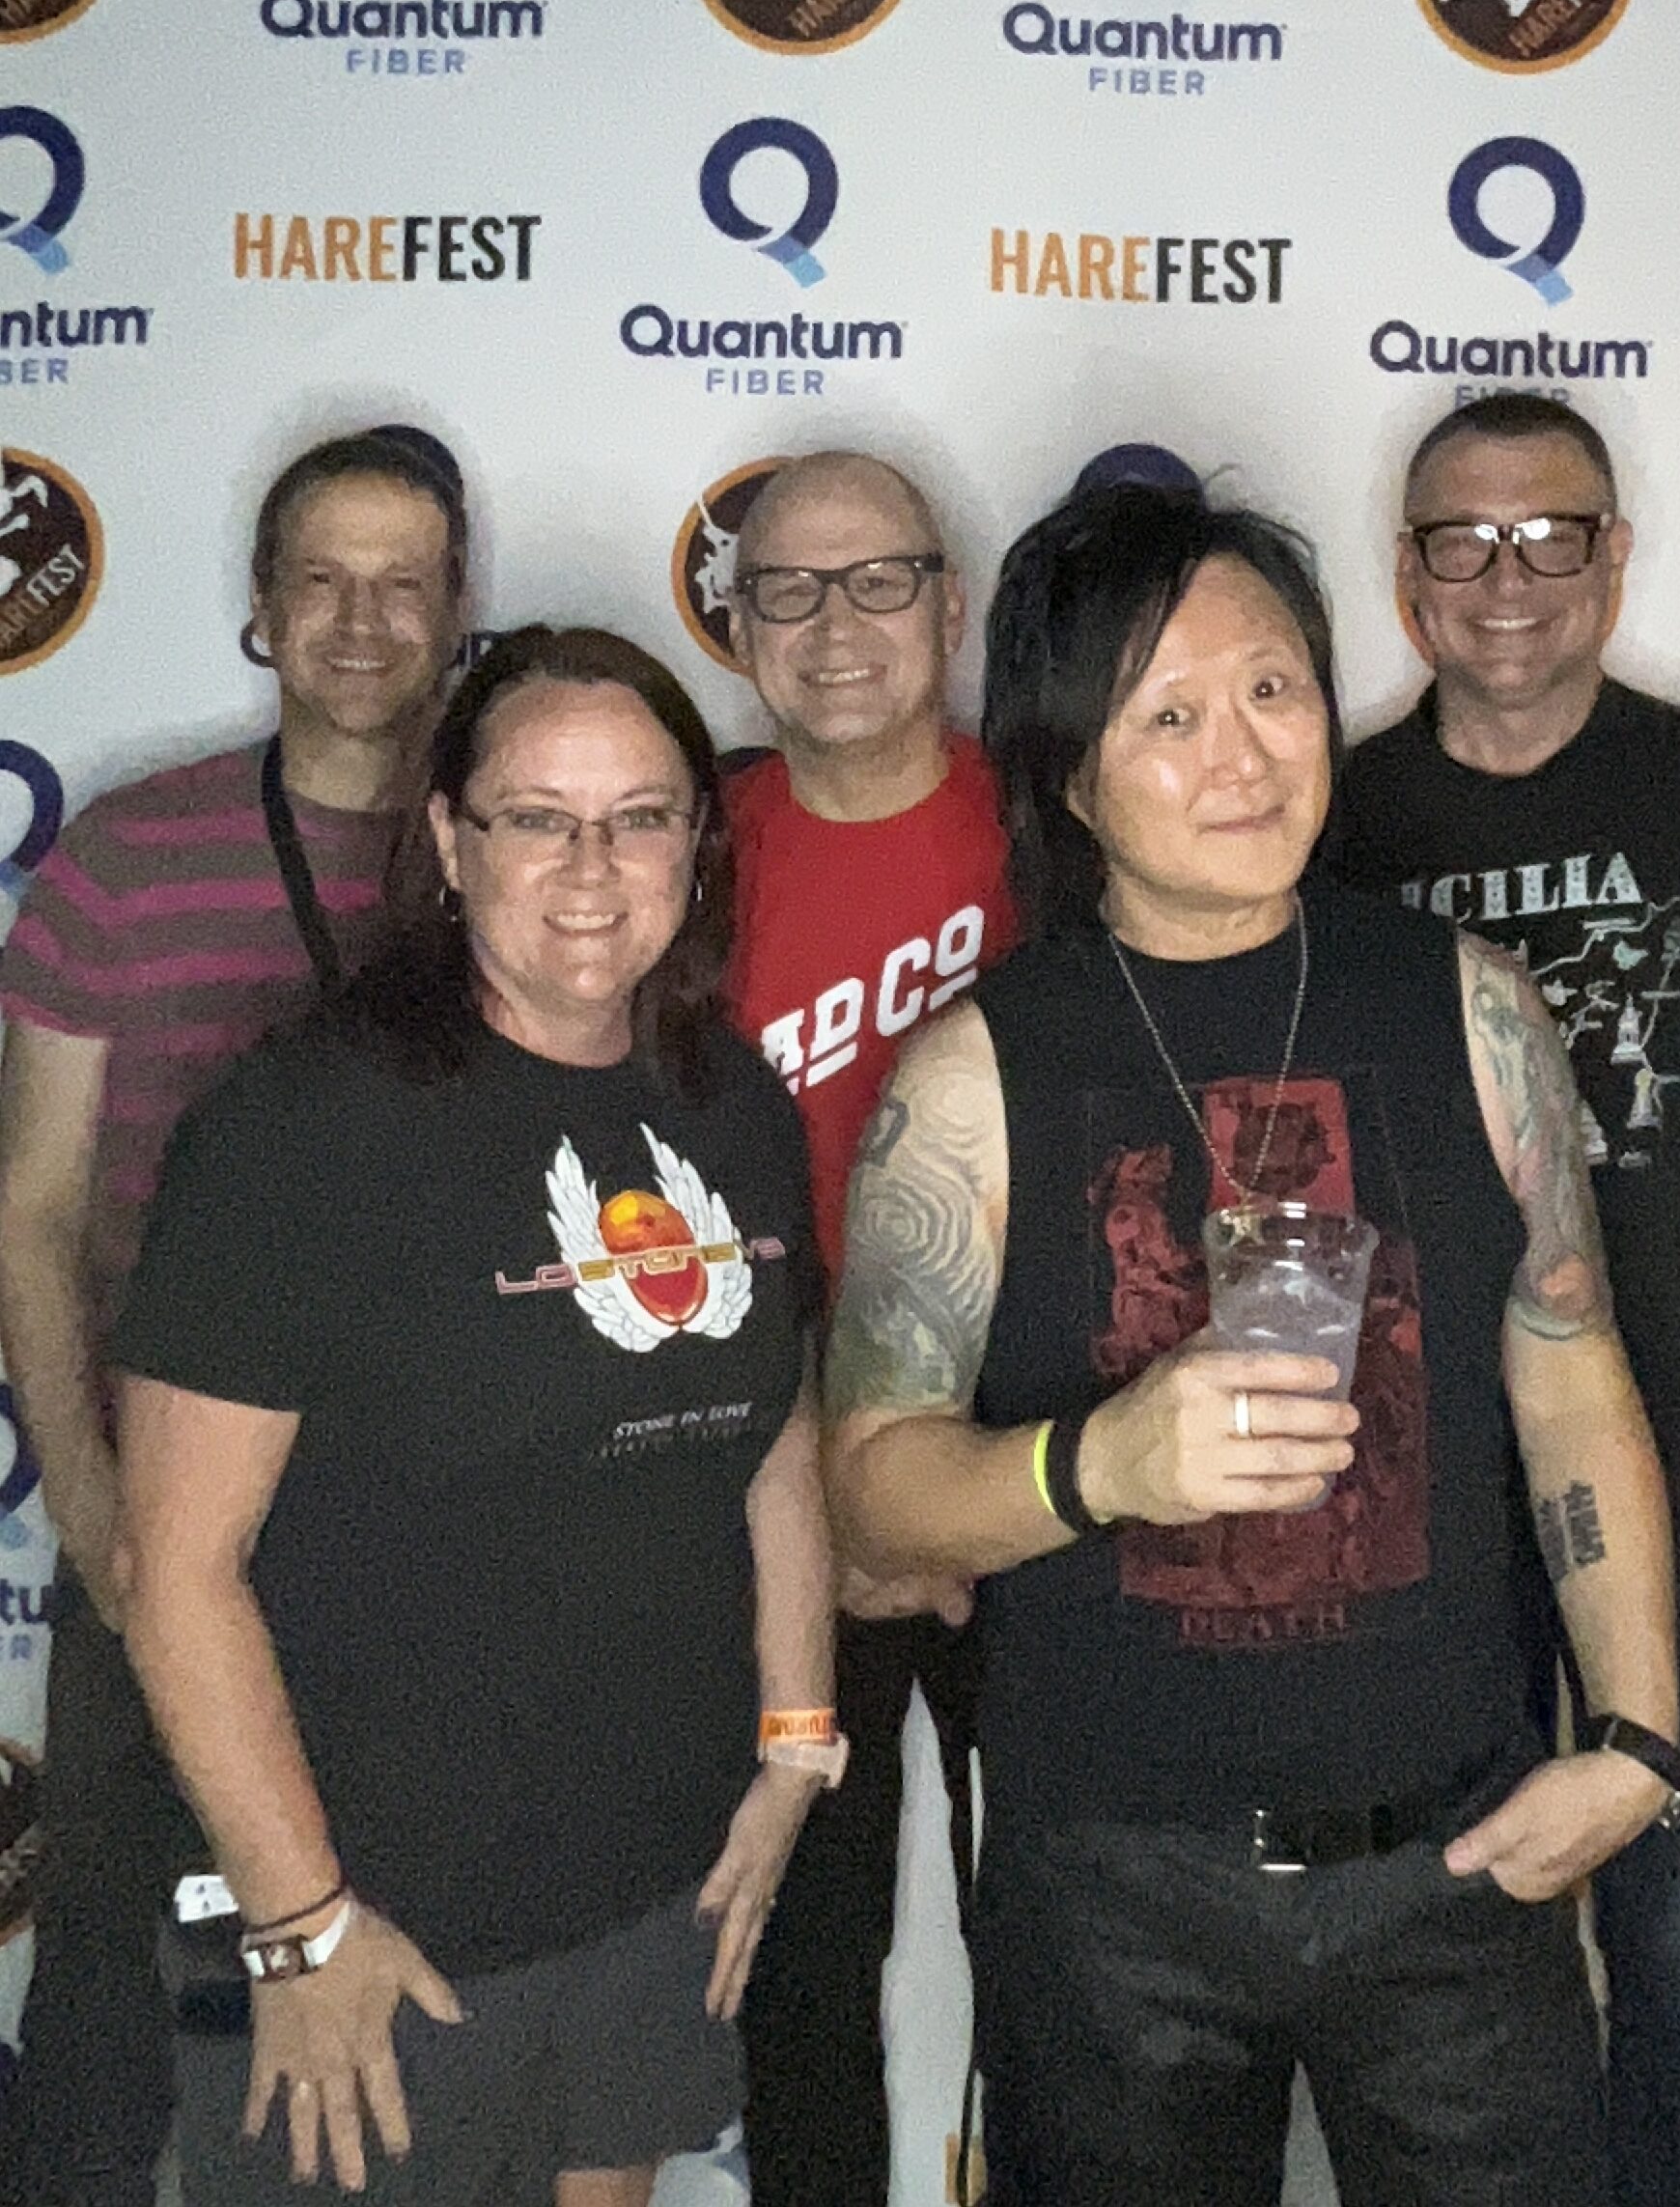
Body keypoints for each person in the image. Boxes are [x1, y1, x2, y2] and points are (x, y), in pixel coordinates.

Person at [825, 479, 1680, 2207]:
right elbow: (869, 1492)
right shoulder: (977, 1075)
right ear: (1073, 774)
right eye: (1169, 717)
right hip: (1110, 1897)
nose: (1243, 756)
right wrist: (1102, 1463)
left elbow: (1571, 1373)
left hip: (1462, 1862)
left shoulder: (1471, 1006)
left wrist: (1640, 1738)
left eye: (1275, 689)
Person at [108, 625, 834, 2205]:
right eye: (537, 818)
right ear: (449, 840)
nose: (593, 868)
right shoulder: (302, 1128)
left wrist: (796, 1745)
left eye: (641, 817)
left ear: (696, 846)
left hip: (656, 1896)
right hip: (377, 1933)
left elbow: (772, 1432)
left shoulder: (730, 1104)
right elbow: (174, 1571)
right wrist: (301, 1924)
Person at [1325, 389, 1680, 2207]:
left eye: (1551, 535)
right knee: (1442, 1956)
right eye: (1462, 540)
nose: (1507, 577)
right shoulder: (1326, 812)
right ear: (1406, 574)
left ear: (1615, 559)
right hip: (1419, 1486)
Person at [0, 427, 468, 2207]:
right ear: (262, 606)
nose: (362, 620)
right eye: (321, 579)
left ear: (458, 610)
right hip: (164, 1514)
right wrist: (93, 1506)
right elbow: (33, 1213)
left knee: (408, 2000)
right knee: (107, 1996)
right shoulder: (127, 855)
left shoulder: (515, 850)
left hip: (429, 1541)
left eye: (403, 583)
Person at [718, 451, 1015, 2207]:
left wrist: (958, 1494)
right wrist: (827, 1497)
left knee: (1065, 1963)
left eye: (878, 580)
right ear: (740, 624)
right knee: (802, 1969)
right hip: (778, 1499)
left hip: (1031, 1483)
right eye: (788, 590)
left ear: (951, 606)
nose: (835, 626)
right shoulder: (681, 845)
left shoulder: (1064, 824)